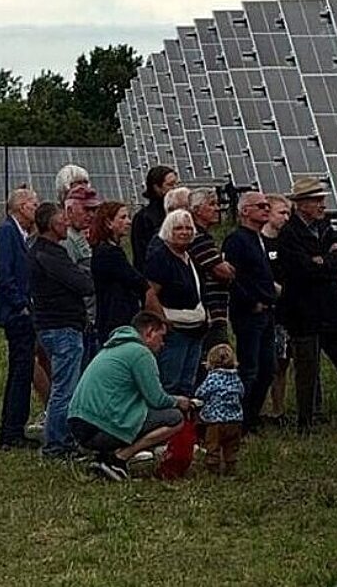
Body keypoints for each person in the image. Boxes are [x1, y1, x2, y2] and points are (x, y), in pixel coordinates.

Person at [277, 177, 337, 434]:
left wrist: (324, 261)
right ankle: (306, 422)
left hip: (332, 309)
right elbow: (302, 269)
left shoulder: (328, 227)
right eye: (316, 200)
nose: (322, 204)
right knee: (307, 370)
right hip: (303, 311)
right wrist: (326, 262)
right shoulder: (289, 234)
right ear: (301, 204)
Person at [68, 311, 193, 481]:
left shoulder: (114, 347)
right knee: (175, 418)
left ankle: (105, 457)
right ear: (149, 332)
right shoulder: (140, 353)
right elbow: (157, 400)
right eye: (161, 337)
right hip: (98, 427)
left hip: (80, 422)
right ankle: (119, 459)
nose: (163, 344)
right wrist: (180, 401)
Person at [28, 201, 94, 457]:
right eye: (61, 218)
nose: (67, 222)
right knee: (64, 387)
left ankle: (60, 439)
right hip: (61, 327)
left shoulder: (44, 251)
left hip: (55, 326)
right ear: (50, 224)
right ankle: (57, 442)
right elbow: (83, 283)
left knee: (64, 383)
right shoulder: (50, 255)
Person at [0, 186, 42, 450]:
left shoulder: (20, 235)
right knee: (20, 371)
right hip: (17, 314)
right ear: (22, 207)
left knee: (23, 370)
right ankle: (11, 432)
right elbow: (4, 274)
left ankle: (14, 428)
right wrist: (22, 305)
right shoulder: (6, 233)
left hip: (21, 311)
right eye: (34, 204)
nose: (37, 208)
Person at [222, 191, 278, 433]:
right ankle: (240, 420)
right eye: (261, 206)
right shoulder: (236, 240)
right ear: (245, 211)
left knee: (268, 367)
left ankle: (252, 416)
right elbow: (232, 278)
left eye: (268, 206)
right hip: (249, 314)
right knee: (250, 368)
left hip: (266, 313)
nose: (266, 209)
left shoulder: (259, 239)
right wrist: (251, 302)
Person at [144, 209, 209, 395]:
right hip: (175, 332)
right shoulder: (160, 258)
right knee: (170, 382)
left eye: (189, 228)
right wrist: (163, 322)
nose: (185, 232)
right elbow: (150, 294)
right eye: (178, 228)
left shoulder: (190, 257)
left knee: (188, 383)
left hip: (196, 329)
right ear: (168, 231)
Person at [185, 187, 236, 371]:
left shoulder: (204, 237)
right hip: (210, 312)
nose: (217, 209)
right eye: (212, 204)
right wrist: (226, 266)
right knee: (218, 363)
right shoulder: (198, 238)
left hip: (214, 311)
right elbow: (223, 272)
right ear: (197, 210)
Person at [261, 193, 300, 423]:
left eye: (288, 212)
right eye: (281, 212)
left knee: (287, 361)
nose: (286, 217)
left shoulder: (289, 241)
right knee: (273, 362)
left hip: (291, 309)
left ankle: (280, 408)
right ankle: (267, 407)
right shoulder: (260, 243)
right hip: (271, 309)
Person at [89, 201, 152, 338]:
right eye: (122, 218)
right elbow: (136, 281)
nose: (128, 222)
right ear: (108, 223)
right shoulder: (108, 253)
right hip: (115, 321)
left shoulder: (111, 250)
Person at [63, 185, 103, 365]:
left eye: (94, 210)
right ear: (69, 210)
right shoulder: (67, 239)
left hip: (90, 318)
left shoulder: (82, 237)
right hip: (79, 320)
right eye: (86, 209)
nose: (91, 215)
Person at [195, 344, 244, 475]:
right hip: (235, 419)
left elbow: (201, 393)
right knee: (231, 446)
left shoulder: (212, 378)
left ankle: (213, 467)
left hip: (215, 421)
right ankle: (231, 466)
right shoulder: (236, 378)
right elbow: (242, 393)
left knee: (213, 445)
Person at [130, 165, 178, 268]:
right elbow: (141, 254)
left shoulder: (178, 214)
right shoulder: (144, 217)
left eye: (176, 185)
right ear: (157, 187)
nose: (175, 189)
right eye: (170, 185)